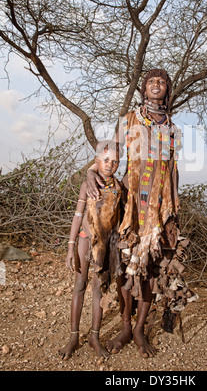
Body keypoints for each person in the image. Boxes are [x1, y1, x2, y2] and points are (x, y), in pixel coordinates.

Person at [87, 69, 196, 358]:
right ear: (144, 89)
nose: (156, 85)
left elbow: (173, 170)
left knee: (152, 269)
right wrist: (90, 172)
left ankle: (139, 330)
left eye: (162, 82)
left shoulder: (173, 129)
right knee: (125, 266)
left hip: (160, 208)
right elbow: (109, 153)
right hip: (132, 204)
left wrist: (174, 209)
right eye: (151, 81)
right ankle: (125, 326)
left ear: (168, 90)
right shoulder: (129, 121)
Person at [59, 140, 124, 360]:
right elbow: (78, 216)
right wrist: (71, 247)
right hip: (85, 241)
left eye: (115, 161)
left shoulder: (118, 188)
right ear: (97, 161)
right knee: (79, 284)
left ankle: (94, 338)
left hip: (104, 245)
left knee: (98, 290)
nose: (110, 165)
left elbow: (116, 221)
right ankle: (74, 337)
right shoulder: (88, 186)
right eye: (106, 160)